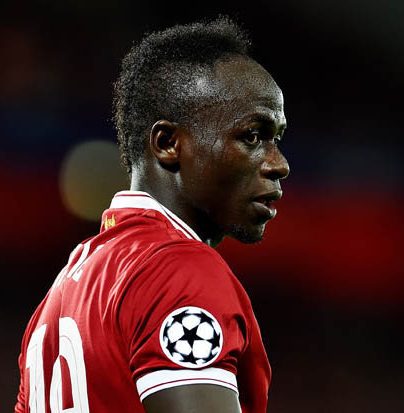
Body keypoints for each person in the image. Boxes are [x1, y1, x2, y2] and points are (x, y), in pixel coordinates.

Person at [14, 17, 289, 413]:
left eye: (276, 138)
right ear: (168, 143)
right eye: (252, 136)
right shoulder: (179, 270)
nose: (279, 164)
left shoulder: (61, 296)